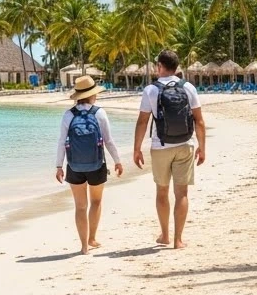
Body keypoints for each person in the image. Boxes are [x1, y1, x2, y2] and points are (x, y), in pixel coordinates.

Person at [133, 49, 205, 249]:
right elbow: (199, 121)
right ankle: (178, 240)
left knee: (162, 192)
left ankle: (165, 235)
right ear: (176, 67)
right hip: (185, 145)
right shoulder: (188, 87)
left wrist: (137, 149)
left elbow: (142, 121)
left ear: (160, 67)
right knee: (181, 194)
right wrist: (202, 147)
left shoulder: (151, 90)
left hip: (160, 146)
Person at [55, 75, 123, 255]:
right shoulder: (99, 113)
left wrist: (58, 166)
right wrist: (117, 160)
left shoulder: (68, 115)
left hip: (74, 166)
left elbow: (62, 142)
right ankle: (92, 237)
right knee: (96, 201)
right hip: (96, 165)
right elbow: (108, 141)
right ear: (93, 94)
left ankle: (84, 246)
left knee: (80, 206)